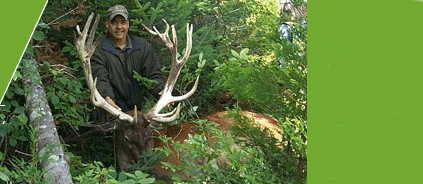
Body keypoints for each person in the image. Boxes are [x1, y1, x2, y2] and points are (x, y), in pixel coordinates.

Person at [91, 5, 165, 115]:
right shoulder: (98, 50)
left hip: (136, 112)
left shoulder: (142, 47)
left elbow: (153, 74)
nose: (119, 27)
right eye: (114, 22)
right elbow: (100, 77)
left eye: (123, 22)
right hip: (110, 112)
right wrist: (106, 98)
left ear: (128, 24)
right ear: (107, 24)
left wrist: (161, 91)